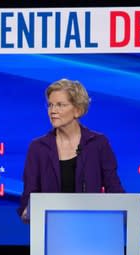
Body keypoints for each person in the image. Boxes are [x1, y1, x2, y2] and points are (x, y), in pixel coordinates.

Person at [18, 78, 124, 223]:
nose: (53, 111)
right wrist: (27, 211)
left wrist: (124, 211)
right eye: (50, 105)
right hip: (50, 232)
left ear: (77, 110)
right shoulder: (38, 147)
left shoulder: (98, 143)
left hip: (93, 228)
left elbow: (114, 189)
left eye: (60, 105)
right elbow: (28, 196)